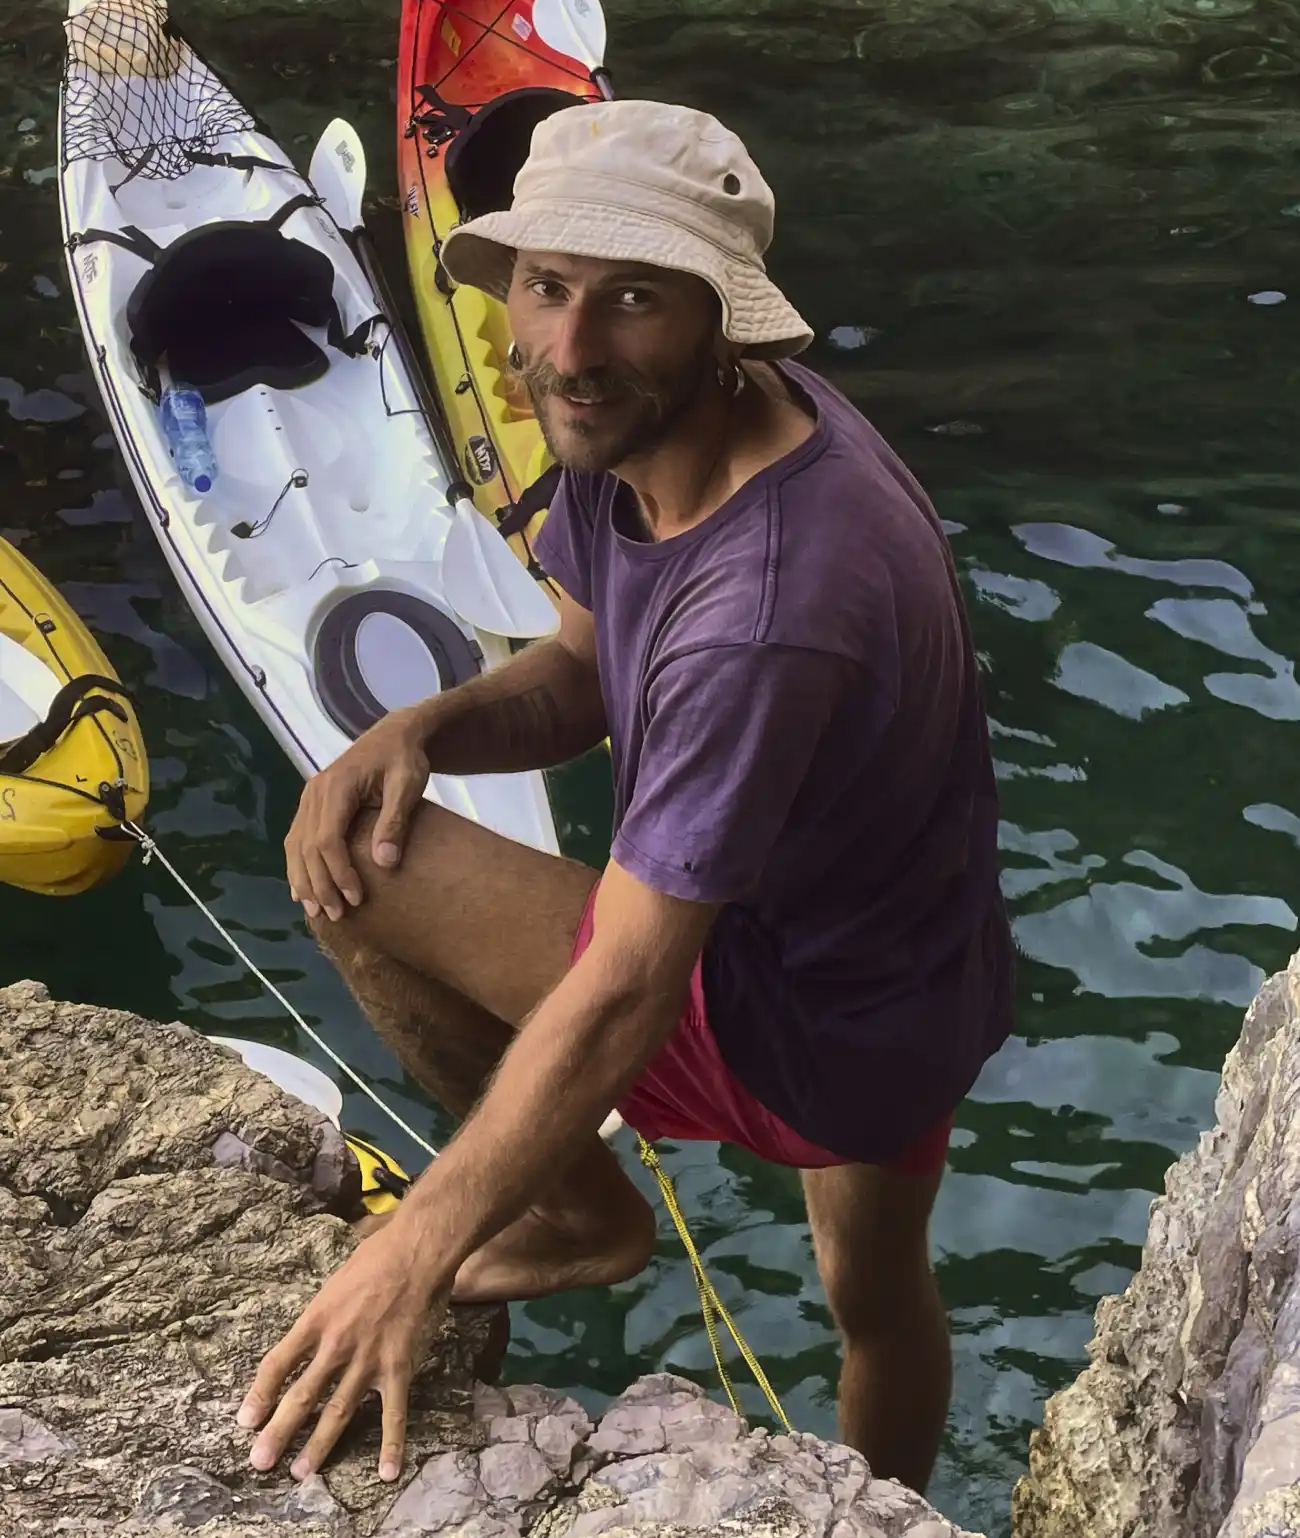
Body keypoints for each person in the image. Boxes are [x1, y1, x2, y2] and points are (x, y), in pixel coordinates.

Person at [236, 100, 1016, 1495]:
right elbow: (588, 671)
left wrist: (415, 1252)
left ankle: (574, 1214)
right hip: (913, 991)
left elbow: (627, 986)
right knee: (879, 1302)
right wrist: (425, 726)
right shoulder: (672, 432)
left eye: (632, 300)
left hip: (782, 1011)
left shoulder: (768, 610)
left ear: (722, 319)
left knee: (358, 858)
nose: (572, 349)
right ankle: (884, 1516)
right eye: (547, 288)